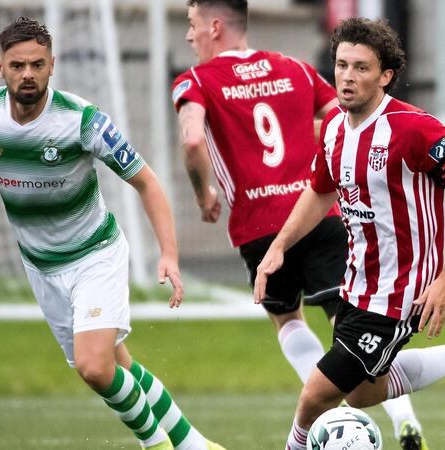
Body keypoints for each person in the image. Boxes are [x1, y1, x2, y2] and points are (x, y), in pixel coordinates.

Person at [0, 17, 223, 450]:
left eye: (37, 64)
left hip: (95, 255)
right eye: (18, 65)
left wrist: (168, 252)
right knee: (117, 367)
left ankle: (158, 445)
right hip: (40, 265)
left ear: (52, 65)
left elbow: (147, 181)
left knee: (95, 369)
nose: (28, 74)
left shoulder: (82, 120)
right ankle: (197, 446)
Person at [252, 18, 445, 450]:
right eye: (341, 65)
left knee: (316, 396)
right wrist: (279, 246)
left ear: (386, 76)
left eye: (361, 68)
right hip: (359, 283)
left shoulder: (417, 130)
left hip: (402, 292)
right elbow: (319, 192)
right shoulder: (333, 131)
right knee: (361, 393)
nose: (347, 76)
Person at [173, 2, 428, 447]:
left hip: (260, 227)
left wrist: (204, 196)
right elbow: (342, 120)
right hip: (322, 214)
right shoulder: (294, 69)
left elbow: (193, 138)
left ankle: (327, 422)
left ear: (215, 27)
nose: (189, 37)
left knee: (288, 320)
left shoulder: (197, 81)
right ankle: (403, 417)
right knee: (355, 325)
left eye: (192, 26)